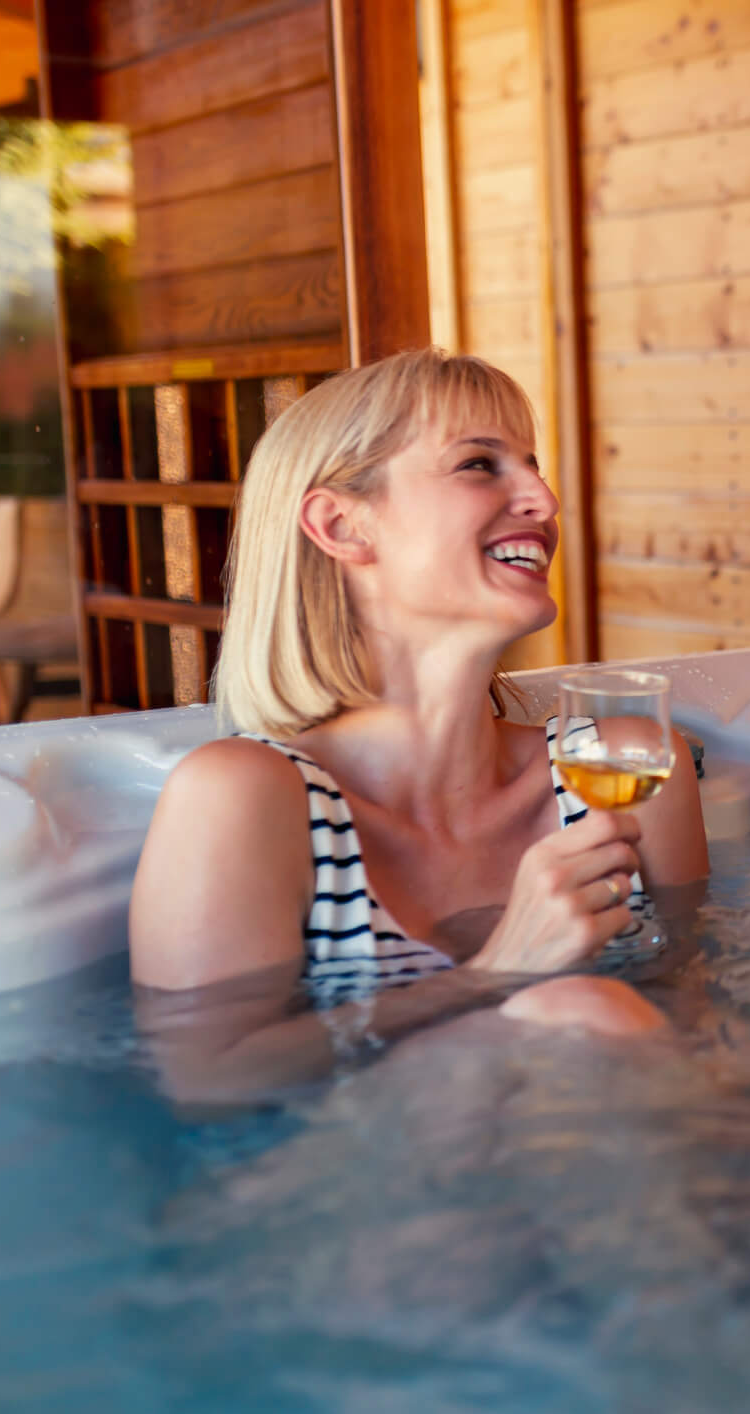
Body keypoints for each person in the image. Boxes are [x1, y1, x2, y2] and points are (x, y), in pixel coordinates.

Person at [130, 349, 708, 1103]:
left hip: (612, 1161)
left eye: (531, 466)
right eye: (479, 464)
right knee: (570, 1007)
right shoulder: (245, 794)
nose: (542, 497)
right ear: (342, 524)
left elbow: (702, 1008)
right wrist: (497, 974)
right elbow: (207, 1083)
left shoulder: (624, 767)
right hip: (365, 1196)